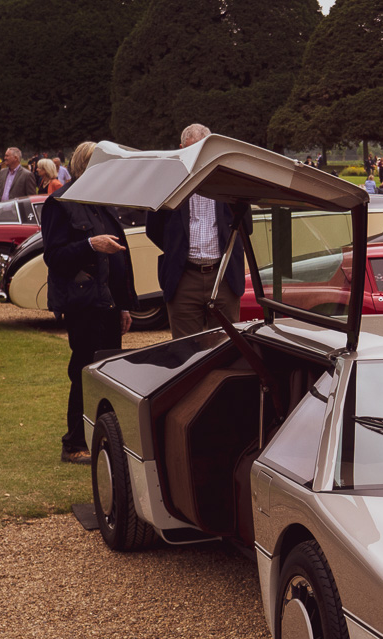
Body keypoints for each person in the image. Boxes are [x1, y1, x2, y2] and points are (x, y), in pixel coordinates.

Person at [42, 141, 137, 465]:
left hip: (108, 305)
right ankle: (74, 443)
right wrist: (89, 244)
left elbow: (121, 259)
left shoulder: (102, 201)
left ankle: (103, 437)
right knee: (84, 371)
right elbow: (54, 257)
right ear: (88, 165)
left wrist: (124, 305)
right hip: (83, 304)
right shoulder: (61, 203)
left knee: (108, 373)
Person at [145, 123, 250, 339]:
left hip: (224, 278)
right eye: (191, 150)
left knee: (225, 347)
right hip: (183, 277)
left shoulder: (230, 180)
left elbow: (245, 226)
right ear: (181, 148)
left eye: (203, 150)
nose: (197, 157)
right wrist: (177, 250)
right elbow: (153, 229)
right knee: (184, 351)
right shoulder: (166, 182)